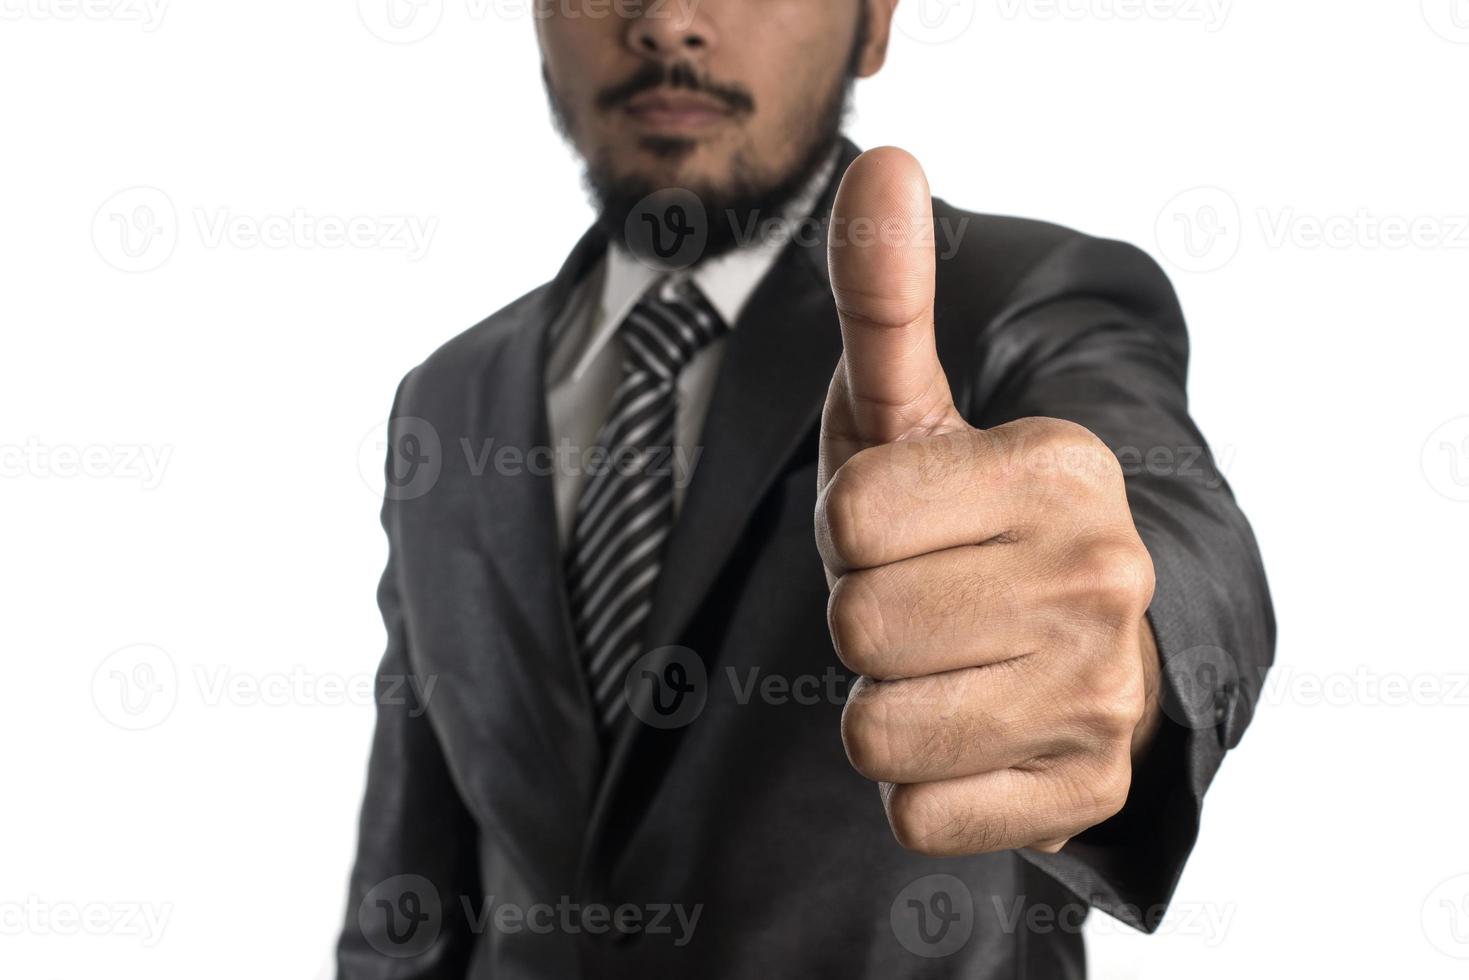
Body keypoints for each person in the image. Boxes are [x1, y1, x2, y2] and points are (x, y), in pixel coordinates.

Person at [337, 1, 1274, 976]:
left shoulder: (1022, 296)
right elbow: (409, 888)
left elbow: (1166, 520)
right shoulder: (444, 398)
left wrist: (1121, 647)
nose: (665, 23)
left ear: (871, 25)